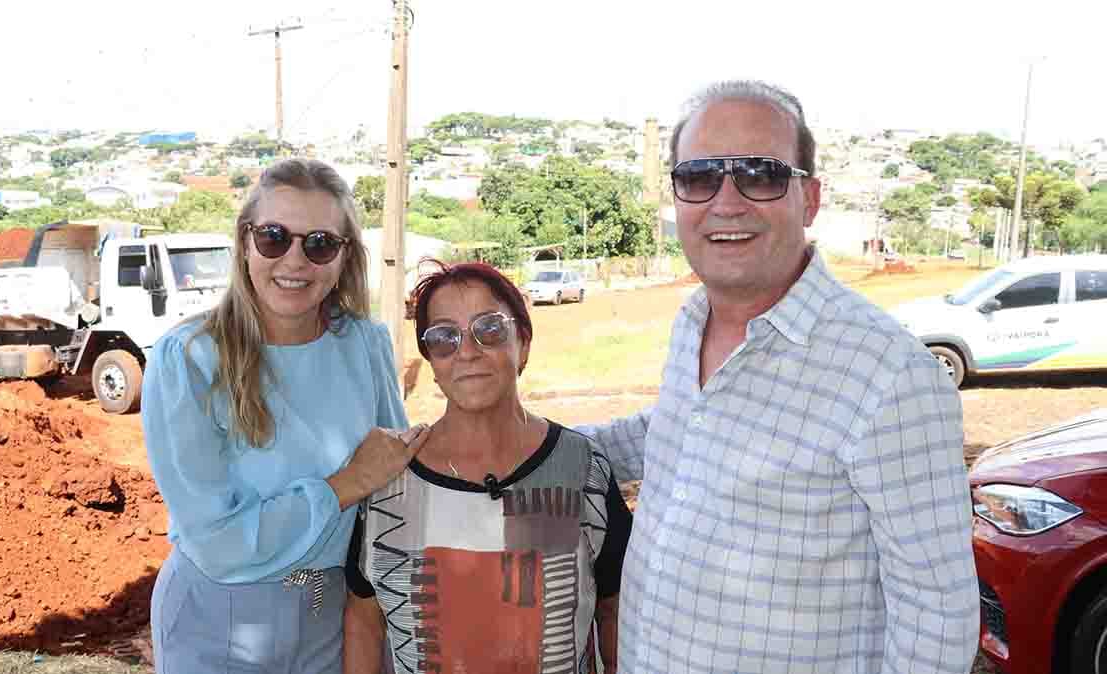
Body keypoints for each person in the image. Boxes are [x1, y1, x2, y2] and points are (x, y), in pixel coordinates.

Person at [577, 81, 979, 673]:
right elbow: (676, 429)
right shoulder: (693, 320)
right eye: (699, 177)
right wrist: (532, 446)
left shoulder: (891, 376)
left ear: (809, 199)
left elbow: (937, 616)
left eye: (760, 174)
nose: (727, 201)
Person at [142, 158, 429, 674]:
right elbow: (218, 543)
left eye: (320, 244)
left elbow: (393, 486)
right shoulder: (188, 359)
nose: (295, 261)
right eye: (274, 238)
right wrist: (346, 484)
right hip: (219, 625)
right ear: (245, 243)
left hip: (338, 614)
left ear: (344, 257)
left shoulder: (365, 344)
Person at [344, 261, 632, 674]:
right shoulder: (388, 480)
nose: (467, 351)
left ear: (524, 343)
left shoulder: (583, 469)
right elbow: (363, 617)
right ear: (431, 362)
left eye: (490, 328)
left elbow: (615, 608)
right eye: (443, 337)